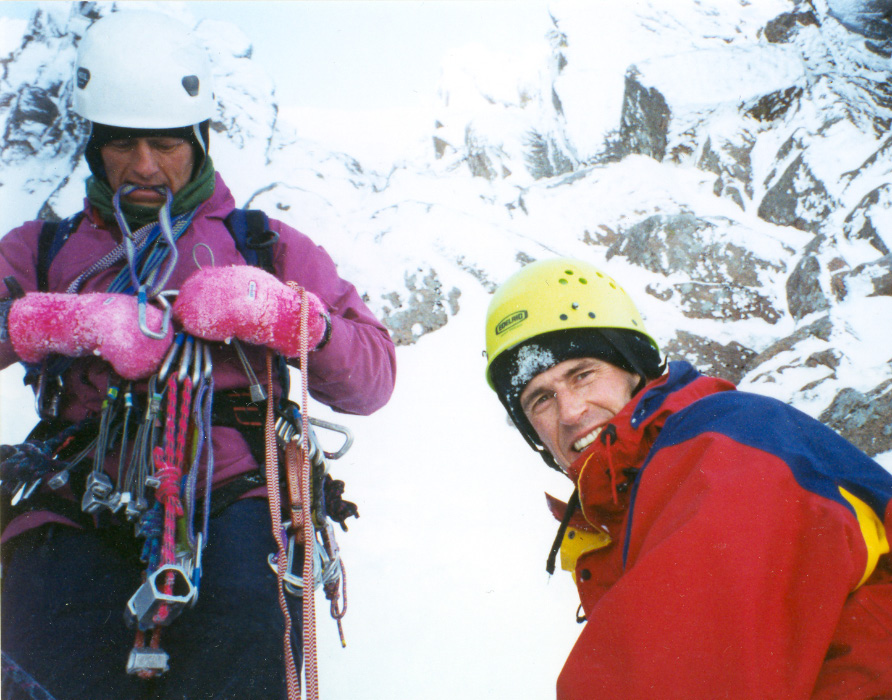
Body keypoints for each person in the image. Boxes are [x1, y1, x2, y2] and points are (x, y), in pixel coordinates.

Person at [0, 11, 395, 700]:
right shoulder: (45, 251)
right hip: (75, 483)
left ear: (200, 141)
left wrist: (289, 317)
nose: (145, 166)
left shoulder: (263, 246)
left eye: (166, 144)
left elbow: (372, 377)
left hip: (234, 487)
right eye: (124, 145)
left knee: (247, 622)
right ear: (94, 149)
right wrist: (57, 319)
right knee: (42, 634)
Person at [484, 257, 892, 699]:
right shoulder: (629, 499)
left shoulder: (727, 446)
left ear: (634, 370)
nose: (570, 412)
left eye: (583, 374)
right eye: (540, 400)